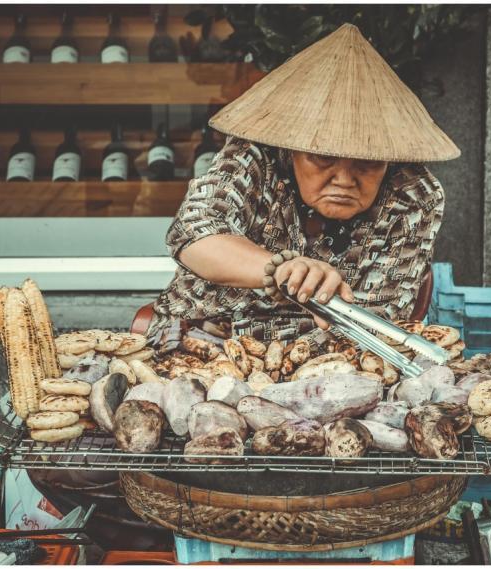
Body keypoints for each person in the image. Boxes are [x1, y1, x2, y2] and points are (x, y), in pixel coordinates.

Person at [146, 23, 460, 354]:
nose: (344, 179)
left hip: (332, 360)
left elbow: (376, 320)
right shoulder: (253, 159)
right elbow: (193, 235)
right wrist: (282, 270)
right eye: (323, 159)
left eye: (367, 163)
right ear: (293, 148)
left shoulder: (414, 195)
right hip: (200, 340)